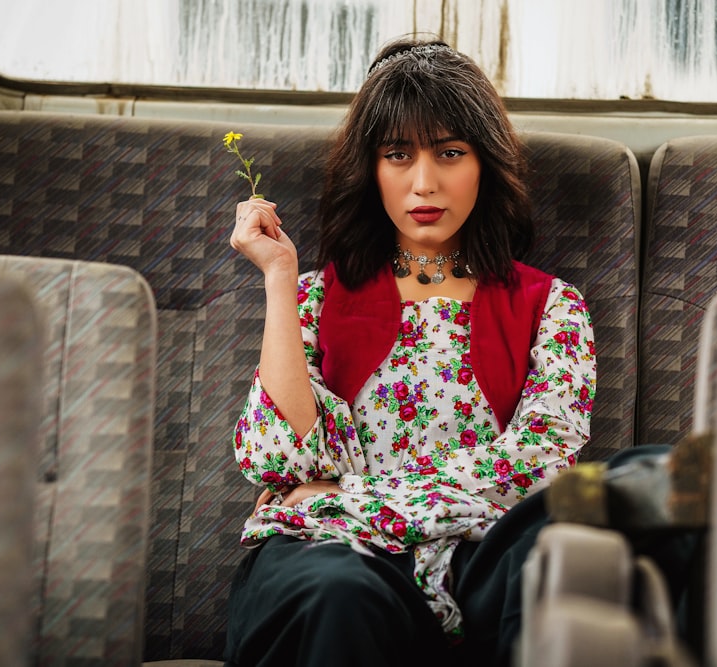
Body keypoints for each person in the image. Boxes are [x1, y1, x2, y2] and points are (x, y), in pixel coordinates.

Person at [224, 36, 596, 667]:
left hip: (480, 557)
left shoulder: (551, 307)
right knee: (333, 593)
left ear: (485, 163)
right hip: (333, 563)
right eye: (398, 155)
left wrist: (343, 501)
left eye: (450, 153)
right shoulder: (315, 298)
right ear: (371, 170)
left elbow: (535, 468)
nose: (425, 183)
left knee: (553, 572)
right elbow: (282, 462)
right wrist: (278, 277)